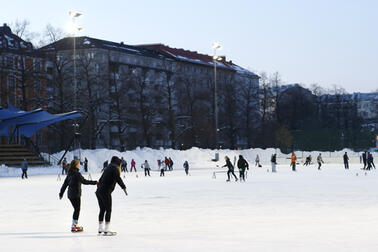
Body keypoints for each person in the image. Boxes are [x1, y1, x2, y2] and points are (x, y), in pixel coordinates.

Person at [59, 160, 97, 232]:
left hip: (70, 194)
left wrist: (61, 193)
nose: (80, 165)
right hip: (75, 194)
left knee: (76, 209)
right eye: (79, 164)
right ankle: (74, 226)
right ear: (76, 165)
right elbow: (84, 181)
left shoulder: (69, 173)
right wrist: (95, 182)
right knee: (77, 209)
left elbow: (64, 184)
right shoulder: (76, 173)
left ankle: (74, 225)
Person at [96, 156, 127, 235]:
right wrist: (123, 187)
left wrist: (100, 188)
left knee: (102, 209)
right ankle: (107, 229)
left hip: (99, 191)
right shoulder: (114, 169)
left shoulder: (107, 168)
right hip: (105, 191)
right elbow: (118, 179)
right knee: (108, 210)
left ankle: (100, 228)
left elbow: (100, 180)